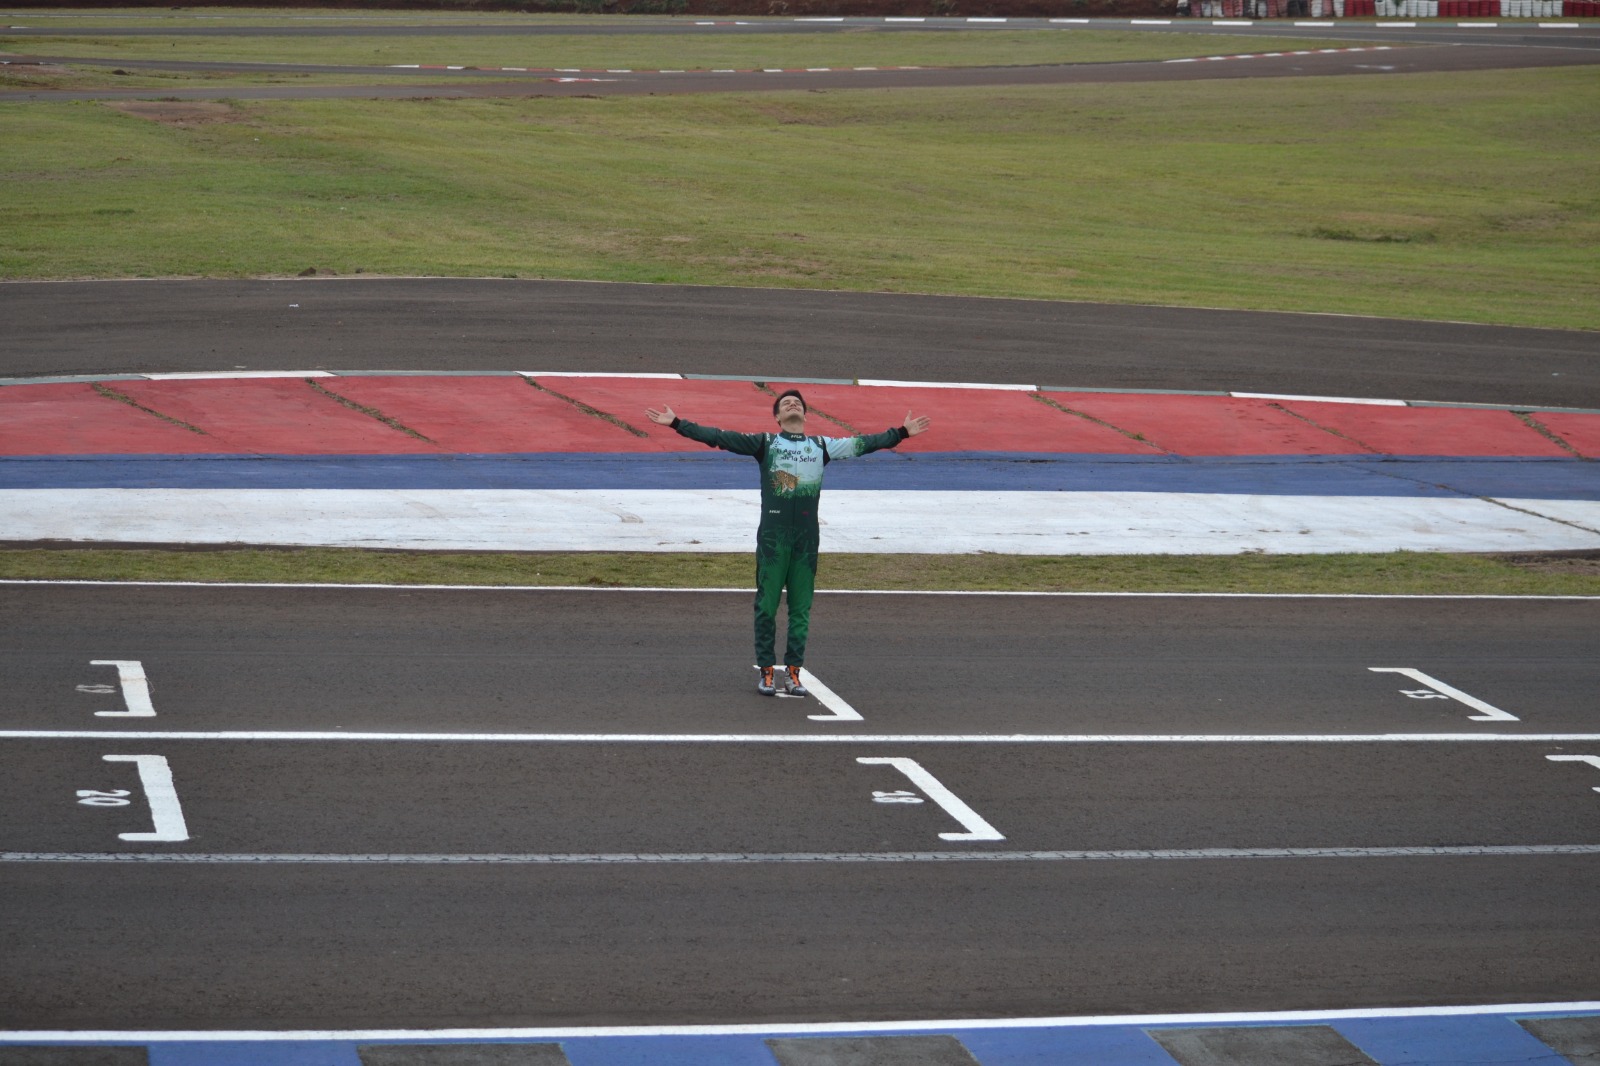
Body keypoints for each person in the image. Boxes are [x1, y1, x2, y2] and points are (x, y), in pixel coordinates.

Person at [645, 390, 931, 696]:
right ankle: (767, 671)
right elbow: (718, 437)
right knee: (766, 607)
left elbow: (864, 444)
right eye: (785, 403)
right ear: (777, 417)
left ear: (805, 414)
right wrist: (677, 423)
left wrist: (900, 433)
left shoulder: (822, 446)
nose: (792, 404)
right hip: (773, 539)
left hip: (806, 541)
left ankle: (794, 673)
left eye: (797, 403)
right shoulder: (765, 443)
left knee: (801, 610)